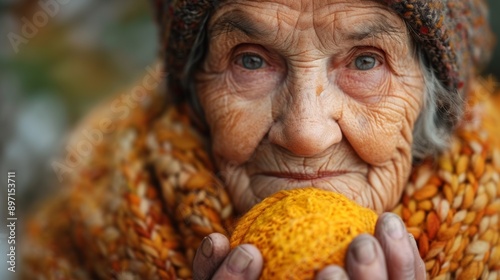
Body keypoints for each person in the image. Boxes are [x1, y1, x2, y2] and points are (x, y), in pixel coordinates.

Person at [22, 0, 499, 279]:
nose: (305, 134)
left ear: (435, 101)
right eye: (250, 61)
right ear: (193, 99)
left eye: (365, 61)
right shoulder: (58, 247)